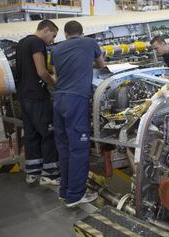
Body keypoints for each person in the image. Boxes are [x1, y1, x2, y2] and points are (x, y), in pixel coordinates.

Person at [51, 20, 105, 207]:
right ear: (81, 33)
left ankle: (64, 191)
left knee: (64, 148)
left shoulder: (56, 50)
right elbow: (101, 64)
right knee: (79, 149)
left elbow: (56, 76)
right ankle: (75, 196)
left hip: (58, 100)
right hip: (76, 100)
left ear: (65, 34)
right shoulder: (90, 43)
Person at [15, 19, 60, 185]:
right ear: (46, 30)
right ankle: (50, 174)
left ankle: (32, 172)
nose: (52, 40)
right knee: (49, 132)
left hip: (24, 95)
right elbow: (41, 71)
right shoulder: (37, 43)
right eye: (53, 36)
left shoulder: (22, 42)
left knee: (31, 134)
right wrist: (55, 82)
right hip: (37, 96)